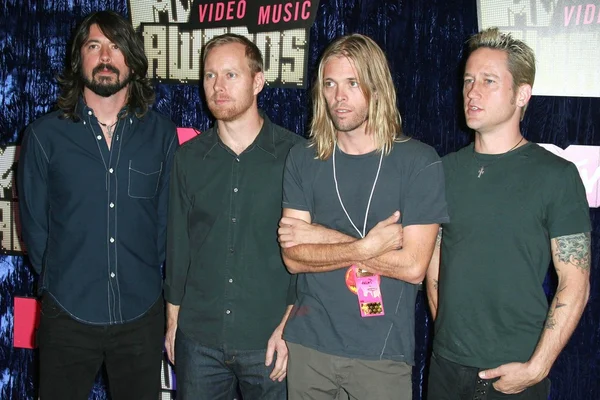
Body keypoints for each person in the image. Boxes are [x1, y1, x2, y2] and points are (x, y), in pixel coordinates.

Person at [277, 33, 448, 400]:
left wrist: (319, 236)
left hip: (382, 354)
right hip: (310, 345)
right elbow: (292, 258)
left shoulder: (419, 162)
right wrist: (367, 246)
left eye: (352, 83)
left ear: (377, 86)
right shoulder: (304, 159)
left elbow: (414, 266)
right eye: (330, 84)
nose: (339, 97)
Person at [18, 10, 178, 400]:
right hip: (68, 312)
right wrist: (63, 278)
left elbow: (165, 222)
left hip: (141, 313)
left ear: (133, 61)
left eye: (116, 46)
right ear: (79, 59)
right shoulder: (44, 136)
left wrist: (140, 267)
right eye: (94, 46)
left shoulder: (161, 134)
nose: (106, 56)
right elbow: (35, 227)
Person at [426, 27, 591, 399]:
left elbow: (575, 282)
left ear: (522, 94)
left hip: (516, 371)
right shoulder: (442, 170)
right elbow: (433, 260)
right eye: (469, 80)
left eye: (488, 81)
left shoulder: (556, 175)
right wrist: (448, 335)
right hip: (446, 368)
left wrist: (537, 366)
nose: (472, 91)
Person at [164, 33, 304, 399]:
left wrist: (291, 327)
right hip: (199, 341)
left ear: (258, 81)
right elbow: (178, 248)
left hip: (270, 340)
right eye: (210, 76)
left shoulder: (296, 156)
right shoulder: (188, 159)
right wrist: (173, 324)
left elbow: (307, 257)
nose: (218, 86)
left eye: (231, 75)